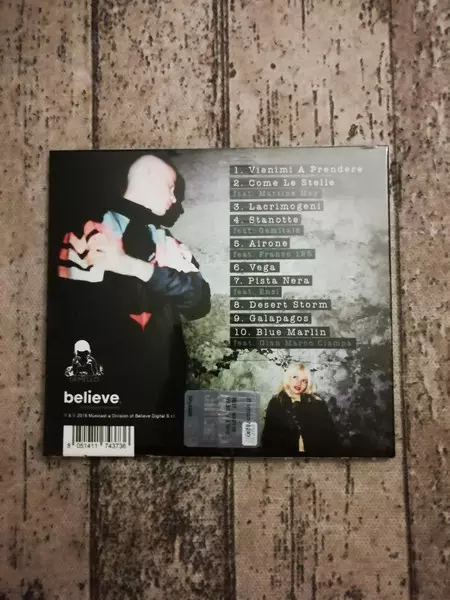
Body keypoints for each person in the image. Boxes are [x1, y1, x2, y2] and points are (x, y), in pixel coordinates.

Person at [56, 154, 211, 452]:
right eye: (170, 187)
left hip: (162, 384)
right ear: (149, 177)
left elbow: (198, 300)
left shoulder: (169, 243)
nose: (175, 200)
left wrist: (133, 267)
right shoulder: (86, 230)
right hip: (100, 388)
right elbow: (72, 309)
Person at [261, 363, 340, 456]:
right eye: (295, 377)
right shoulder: (276, 403)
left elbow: (331, 437)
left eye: (304, 380)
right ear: (288, 378)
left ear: (307, 384)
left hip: (315, 457)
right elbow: (268, 438)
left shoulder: (317, 404)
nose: (299, 383)